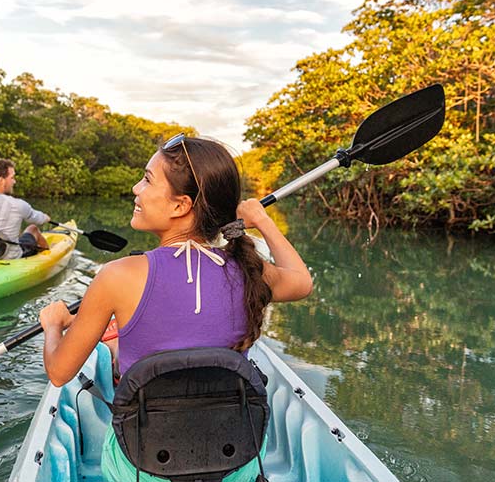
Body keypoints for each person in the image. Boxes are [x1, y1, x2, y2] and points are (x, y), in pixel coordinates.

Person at [39, 134, 313, 481]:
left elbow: (60, 372)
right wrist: (261, 220)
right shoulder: (249, 270)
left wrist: (53, 324)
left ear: (180, 205)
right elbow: (301, 281)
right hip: (232, 465)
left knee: (113, 351)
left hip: (143, 469)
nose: (137, 189)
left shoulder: (117, 276)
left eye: (147, 180)